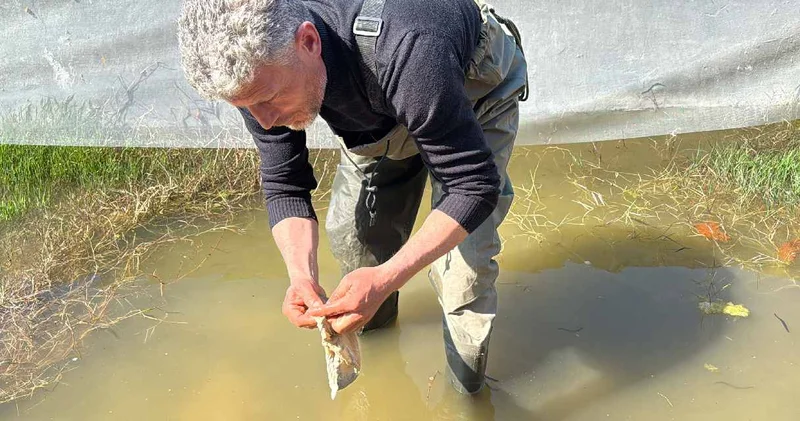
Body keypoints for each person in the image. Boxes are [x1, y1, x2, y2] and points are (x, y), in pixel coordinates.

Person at [177, 0, 528, 394]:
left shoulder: (409, 44)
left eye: (269, 100)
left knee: (463, 275)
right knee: (355, 241)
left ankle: (467, 397)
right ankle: (377, 361)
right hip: (379, 107)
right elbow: (285, 182)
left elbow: (473, 185)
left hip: (468, 85)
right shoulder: (258, 73)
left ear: (308, 41)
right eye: (246, 107)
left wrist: (386, 278)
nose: (264, 122)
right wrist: (301, 276)